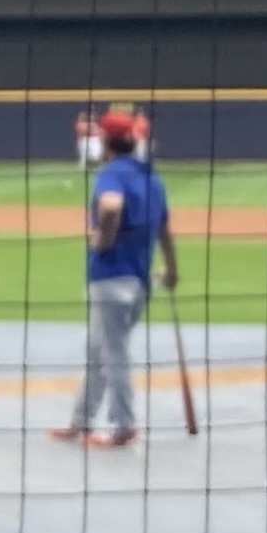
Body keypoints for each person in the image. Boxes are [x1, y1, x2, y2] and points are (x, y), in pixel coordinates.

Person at [55, 108, 177, 450]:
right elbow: (166, 231)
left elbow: (110, 207)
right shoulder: (153, 178)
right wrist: (173, 271)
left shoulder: (112, 175)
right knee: (98, 351)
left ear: (106, 141)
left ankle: (124, 426)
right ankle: (80, 422)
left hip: (110, 279)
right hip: (140, 282)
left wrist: (103, 239)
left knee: (114, 355)